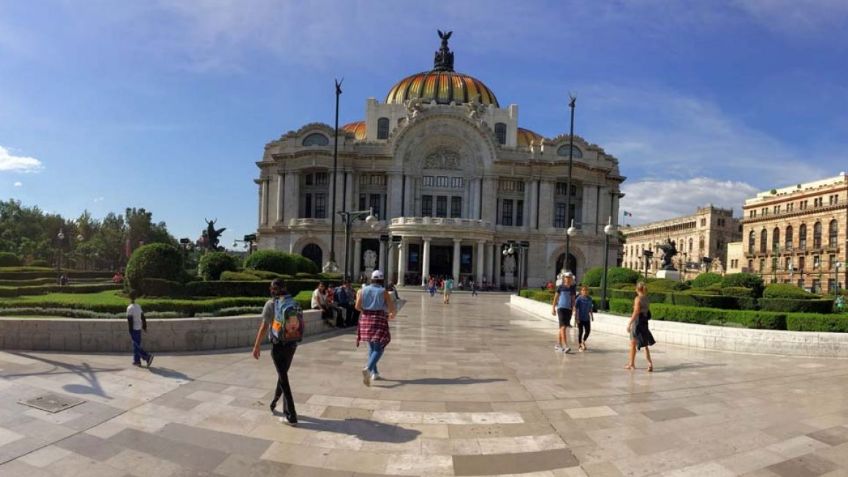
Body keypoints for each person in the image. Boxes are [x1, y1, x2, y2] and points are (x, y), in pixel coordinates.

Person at [252, 278, 298, 425]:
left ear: (273, 289)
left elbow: (264, 327)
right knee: (282, 375)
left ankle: (292, 415)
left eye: (271, 288)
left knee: (283, 378)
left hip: (278, 345)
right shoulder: (292, 302)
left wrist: (256, 345)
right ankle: (276, 402)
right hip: (292, 343)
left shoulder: (271, 304)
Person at [356, 270, 397, 386]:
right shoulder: (383, 292)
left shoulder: (362, 290)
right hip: (378, 319)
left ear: (372, 279)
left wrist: (366, 312)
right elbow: (392, 309)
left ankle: (375, 373)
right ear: (381, 280)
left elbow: (357, 306)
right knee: (379, 347)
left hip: (365, 319)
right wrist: (390, 316)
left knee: (372, 346)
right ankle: (368, 368)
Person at [626, 282, 656, 372]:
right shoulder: (646, 298)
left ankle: (631, 364)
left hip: (638, 321)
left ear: (637, 289)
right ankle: (649, 363)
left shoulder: (637, 298)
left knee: (632, 343)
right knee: (645, 344)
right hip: (645, 321)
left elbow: (636, 312)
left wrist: (629, 323)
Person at [126, 292, 153, 368]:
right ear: (136, 298)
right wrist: (144, 327)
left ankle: (147, 356)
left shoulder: (129, 308)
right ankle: (137, 361)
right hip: (139, 328)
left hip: (134, 329)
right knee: (136, 345)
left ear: (129, 298)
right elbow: (143, 317)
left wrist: (130, 330)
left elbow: (130, 320)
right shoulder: (138, 306)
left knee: (135, 345)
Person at [551, 273, 576, 353]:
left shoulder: (572, 288)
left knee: (562, 328)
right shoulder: (560, 287)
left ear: (571, 279)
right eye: (566, 277)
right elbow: (555, 298)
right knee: (563, 327)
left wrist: (574, 308)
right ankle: (565, 346)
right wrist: (553, 308)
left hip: (568, 309)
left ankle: (558, 345)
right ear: (564, 278)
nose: (568, 279)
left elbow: (573, 300)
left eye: (569, 277)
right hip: (561, 308)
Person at [574, 286, 594, 351]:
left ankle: (583, 340)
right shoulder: (579, 299)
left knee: (588, 331)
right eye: (583, 290)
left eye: (586, 290)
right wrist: (576, 318)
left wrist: (592, 316)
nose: (585, 292)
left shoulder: (590, 298)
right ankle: (579, 345)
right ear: (581, 291)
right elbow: (575, 308)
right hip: (579, 318)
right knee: (581, 331)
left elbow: (590, 308)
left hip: (586, 318)